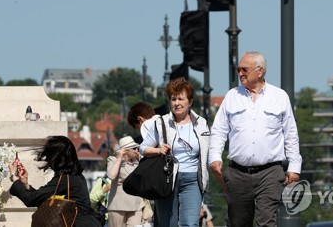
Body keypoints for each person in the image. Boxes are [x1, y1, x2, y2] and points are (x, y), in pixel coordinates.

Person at [209, 51, 302, 227]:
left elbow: (290, 133)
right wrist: (214, 157)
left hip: (270, 173)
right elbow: (219, 130)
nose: (240, 73)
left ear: (260, 71)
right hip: (237, 174)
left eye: (244, 69)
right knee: (238, 223)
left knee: (267, 222)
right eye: (238, 69)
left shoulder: (279, 96)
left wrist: (294, 166)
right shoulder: (231, 96)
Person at [140, 77, 210, 227]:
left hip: (192, 179)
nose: (177, 103)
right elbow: (143, 148)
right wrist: (159, 150)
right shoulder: (161, 123)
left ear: (190, 102)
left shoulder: (201, 123)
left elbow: (206, 153)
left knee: (190, 224)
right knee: (167, 224)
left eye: (181, 99)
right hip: (167, 179)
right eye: (173, 99)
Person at [8, 135, 101, 227]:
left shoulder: (65, 179)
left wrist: (14, 177)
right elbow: (41, 198)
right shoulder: (75, 176)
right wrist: (25, 184)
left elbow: (31, 199)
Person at [106, 136, 145, 227]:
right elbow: (111, 176)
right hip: (117, 205)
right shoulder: (113, 160)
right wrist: (120, 158)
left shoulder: (138, 161)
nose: (137, 150)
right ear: (126, 150)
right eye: (134, 148)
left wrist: (140, 157)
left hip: (136, 205)